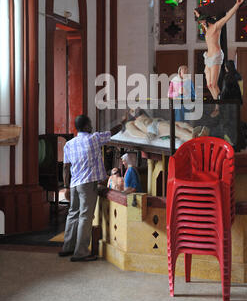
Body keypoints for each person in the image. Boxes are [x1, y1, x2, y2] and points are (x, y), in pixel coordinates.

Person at [59, 115, 111, 262]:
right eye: (90, 124)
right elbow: (111, 133)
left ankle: (67, 247)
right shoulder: (93, 139)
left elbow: (65, 167)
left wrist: (66, 186)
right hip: (87, 184)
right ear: (87, 126)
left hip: (74, 184)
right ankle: (81, 252)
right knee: (85, 217)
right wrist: (124, 122)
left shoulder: (69, 144)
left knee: (73, 214)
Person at [194, 0, 244, 117]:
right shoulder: (206, 28)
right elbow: (201, 21)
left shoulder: (216, 26)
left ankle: (219, 107)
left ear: (206, 19)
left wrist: (237, 5)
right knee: (209, 84)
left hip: (216, 56)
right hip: (208, 58)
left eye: (201, 20)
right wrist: (197, 15)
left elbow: (227, 17)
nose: (200, 22)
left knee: (214, 84)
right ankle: (218, 104)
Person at [122, 108, 209, 142]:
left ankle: (196, 133)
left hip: (159, 122)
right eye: (132, 110)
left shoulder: (145, 115)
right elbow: (133, 131)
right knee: (176, 130)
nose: (135, 108)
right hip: (153, 127)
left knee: (183, 124)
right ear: (131, 115)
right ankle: (195, 138)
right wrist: (145, 135)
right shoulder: (132, 123)